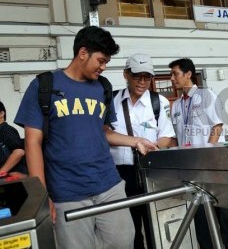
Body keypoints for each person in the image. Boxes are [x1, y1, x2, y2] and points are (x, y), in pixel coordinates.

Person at [14, 26, 156, 249]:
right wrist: (41, 197)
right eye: (100, 60)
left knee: (123, 242)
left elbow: (104, 131)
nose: (103, 67)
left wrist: (135, 141)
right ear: (82, 53)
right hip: (67, 192)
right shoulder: (43, 86)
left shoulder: (102, 87)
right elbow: (32, 142)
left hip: (109, 185)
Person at [169, 58, 228, 249]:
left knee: (225, 214)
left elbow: (217, 127)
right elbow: (178, 138)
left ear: (188, 74)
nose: (172, 78)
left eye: (175, 74)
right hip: (192, 172)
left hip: (213, 167)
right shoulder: (176, 105)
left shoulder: (206, 95)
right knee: (201, 218)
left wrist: (208, 159)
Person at [111, 53, 176, 249]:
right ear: (125, 75)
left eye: (147, 77)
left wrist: (154, 147)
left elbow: (167, 137)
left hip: (149, 171)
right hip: (120, 175)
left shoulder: (159, 102)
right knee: (129, 229)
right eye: (137, 76)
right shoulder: (111, 101)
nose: (142, 81)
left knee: (154, 224)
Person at [0, 101, 27, 178]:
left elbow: (19, 152)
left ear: (1, 114)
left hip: (12, 179)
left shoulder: (6, 130)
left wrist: (1, 172)